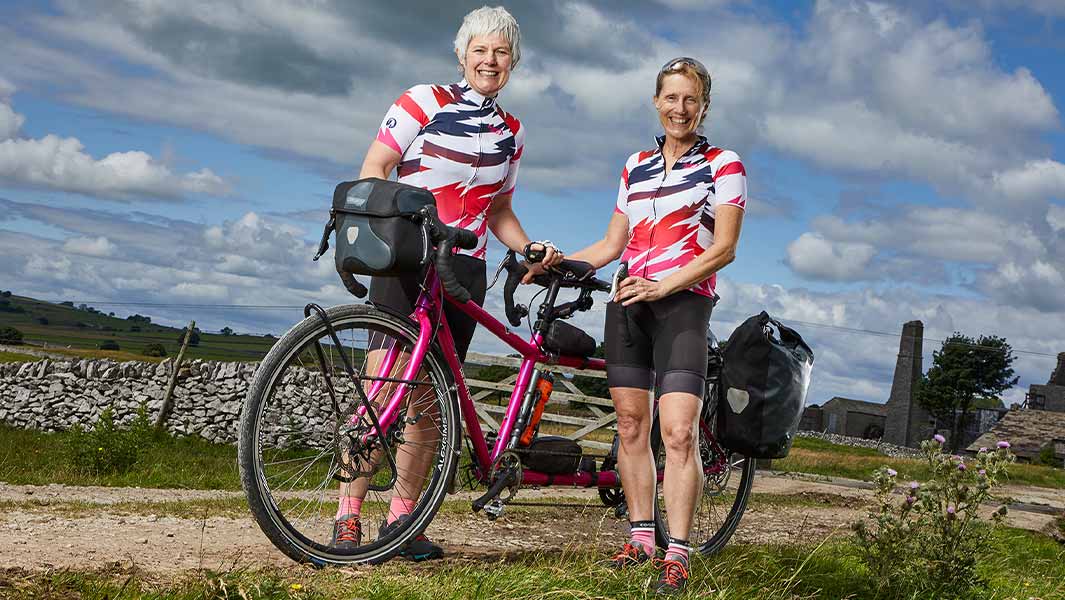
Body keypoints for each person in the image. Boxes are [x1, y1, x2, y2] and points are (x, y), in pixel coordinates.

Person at [332, 5, 563, 560]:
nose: (491, 59)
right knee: (382, 387)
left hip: (465, 269)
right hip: (407, 261)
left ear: (513, 63)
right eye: (481, 49)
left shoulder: (512, 132)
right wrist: (399, 224)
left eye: (501, 52)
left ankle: (402, 521)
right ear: (462, 55)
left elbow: (500, 209)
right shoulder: (423, 101)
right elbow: (375, 168)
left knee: (432, 401)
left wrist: (526, 245)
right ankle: (348, 516)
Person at [566, 57, 747, 594]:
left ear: (704, 107)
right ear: (656, 102)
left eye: (690, 100)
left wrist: (664, 286)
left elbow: (725, 249)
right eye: (671, 98)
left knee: (678, 431)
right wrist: (555, 263)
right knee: (629, 426)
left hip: (683, 305)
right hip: (628, 302)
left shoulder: (723, 163)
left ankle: (680, 550)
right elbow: (610, 246)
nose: (680, 109)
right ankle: (641, 537)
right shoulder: (636, 165)